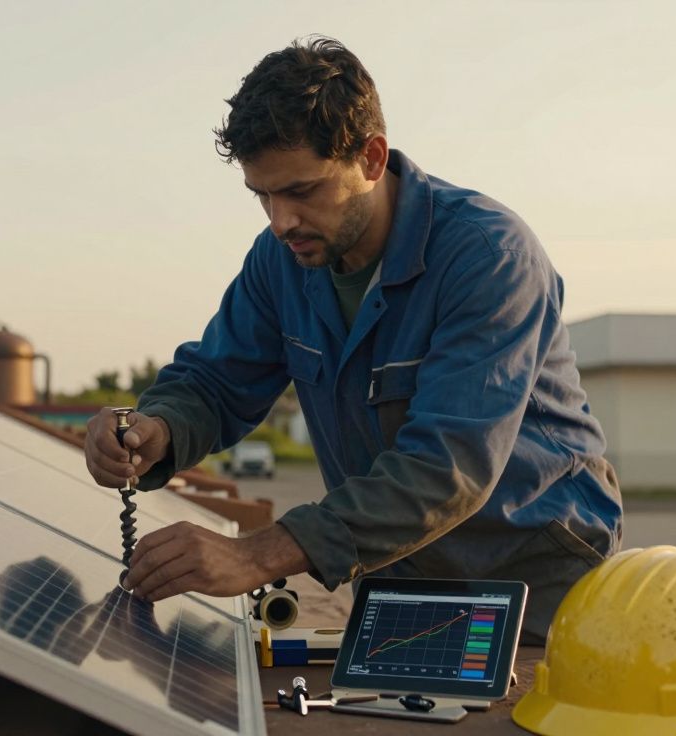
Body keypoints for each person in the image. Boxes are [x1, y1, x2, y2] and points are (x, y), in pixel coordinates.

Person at [83, 37, 622, 641]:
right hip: (398, 582)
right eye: (263, 196)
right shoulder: (281, 260)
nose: (280, 221)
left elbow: (448, 466)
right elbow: (215, 381)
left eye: (302, 191)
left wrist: (260, 555)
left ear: (370, 157)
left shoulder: (490, 257)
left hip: (536, 591)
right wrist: (157, 428)